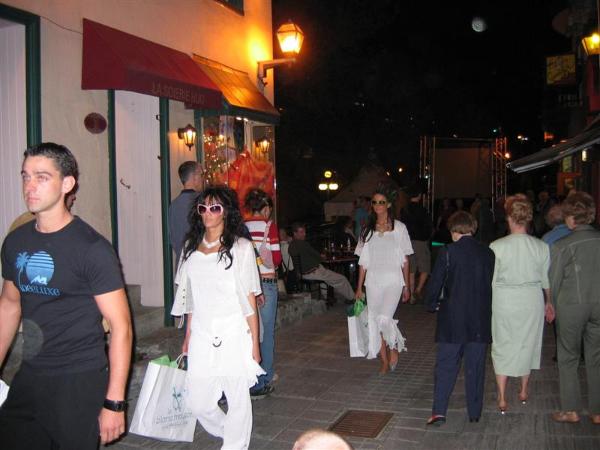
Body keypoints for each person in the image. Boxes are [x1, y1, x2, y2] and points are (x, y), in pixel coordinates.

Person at [0, 142, 133, 449]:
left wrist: (114, 402)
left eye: (42, 177)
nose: (30, 185)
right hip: (31, 373)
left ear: (67, 184)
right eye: (26, 176)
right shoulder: (16, 242)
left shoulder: (92, 249)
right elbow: (9, 305)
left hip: (78, 377)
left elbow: (121, 327)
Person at [172, 185, 263, 450]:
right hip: (201, 332)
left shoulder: (241, 247)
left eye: (215, 208)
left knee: (237, 398)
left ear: (225, 212)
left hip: (234, 330)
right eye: (203, 208)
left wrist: (254, 343)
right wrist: (187, 336)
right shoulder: (190, 248)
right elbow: (190, 298)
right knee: (197, 401)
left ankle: (234, 444)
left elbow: (249, 299)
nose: (208, 213)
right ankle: (230, 432)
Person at [424, 211, 495, 425]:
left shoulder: (447, 251)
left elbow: (436, 282)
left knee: (446, 365)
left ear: (454, 230)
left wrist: (431, 303)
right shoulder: (488, 253)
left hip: (452, 320)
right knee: (476, 368)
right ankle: (474, 412)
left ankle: (439, 412)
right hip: (480, 319)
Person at [490, 194, 553, 414]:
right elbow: (545, 280)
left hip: (504, 299)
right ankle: (524, 390)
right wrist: (549, 302)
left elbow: (492, 280)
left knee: (502, 344)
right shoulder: (541, 246)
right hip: (531, 299)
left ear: (508, 217)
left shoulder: (496, 246)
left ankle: (502, 397)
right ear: (528, 218)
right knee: (528, 343)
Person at [548, 192, 600, 424]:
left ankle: (571, 410)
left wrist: (550, 303)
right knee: (596, 357)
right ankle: (597, 411)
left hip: (571, 306)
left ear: (570, 217)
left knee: (568, 357)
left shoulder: (562, 245)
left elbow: (554, 280)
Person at [354, 187, 413, 374]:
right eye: (374, 202)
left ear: (388, 204)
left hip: (394, 281)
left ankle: (393, 348)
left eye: (381, 202)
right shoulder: (367, 229)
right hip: (373, 281)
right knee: (374, 320)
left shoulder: (399, 227)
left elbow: (405, 260)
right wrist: (359, 288)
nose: (378, 205)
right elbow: (363, 262)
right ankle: (384, 360)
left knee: (384, 318)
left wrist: (407, 286)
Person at [244, 189, 282, 399]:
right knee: (266, 334)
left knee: (251, 333)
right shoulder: (269, 227)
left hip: (247, 287)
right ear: (266, 208)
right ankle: (263, 379)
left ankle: (250, 377)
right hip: (266, 283)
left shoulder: (242, 227)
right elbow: (276, 259)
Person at [288, 223, 355, 302]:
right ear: (295, 233)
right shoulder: (303, 244)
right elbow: (319, 257)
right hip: (313, 273)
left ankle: (328, 297)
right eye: (301, 232)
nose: (304, 234)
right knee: (342, 278)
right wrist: (323, 256)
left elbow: (308, 256)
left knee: (327, 275)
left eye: (304, 232)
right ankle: (353, 298)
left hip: (303, 274)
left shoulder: (291, 245)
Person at [400, 185, 432, 304]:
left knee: (411, 269)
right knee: (425, 267)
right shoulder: (422, 209)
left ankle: (411, 294)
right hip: (420, 241)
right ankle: (417, 290)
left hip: (407, 241)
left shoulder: (404, 209)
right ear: (419, 195)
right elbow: (428, 226)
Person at [168, 161, 204, 265]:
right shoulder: (202, 203)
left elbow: (172, 239)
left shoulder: (173, 205)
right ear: (195, 177)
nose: (203, 179)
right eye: (201, 175)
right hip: (200, 265)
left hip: (181, 265)